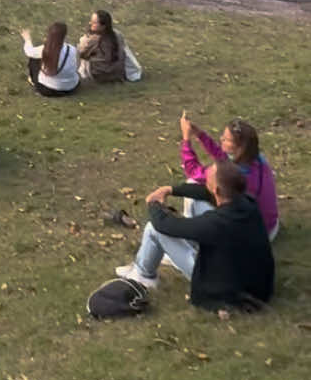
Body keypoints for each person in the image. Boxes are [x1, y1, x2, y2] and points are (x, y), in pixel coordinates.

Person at [115, 160, 275, 310]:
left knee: (153, 228)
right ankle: (139, 269)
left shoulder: (216, 223)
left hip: (227, 290)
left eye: (208, 181)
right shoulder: (247, 203)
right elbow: (205, 193)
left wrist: (153, 204)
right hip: (257, 285)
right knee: (197, 203)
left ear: (217, 190)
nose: (205, 182)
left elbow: (165, 225)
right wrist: (171, 190)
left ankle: (144, 275)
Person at [179, 111, 279, 239]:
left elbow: (193, 170)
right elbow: (223, 157)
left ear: (239, 147)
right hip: (270, 226)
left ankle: (190, 238)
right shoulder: (257, 158)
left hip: (252, 236)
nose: (221, 139)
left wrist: (186, 140)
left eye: (226, 139)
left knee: (192, 184)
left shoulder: (233, 174)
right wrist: (200, 134)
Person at [21, 21, 79, 96]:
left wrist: (27, 39)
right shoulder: (72, 49)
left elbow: (29, 52)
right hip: (71, 88)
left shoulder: (45, 49)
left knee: (34, 59)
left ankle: (33, 80)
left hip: (48, 89)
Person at [77, 9, 127, 84]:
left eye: (94, 22)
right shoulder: (117, 34)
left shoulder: (93, 39)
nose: (90, 23)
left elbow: (81, 54)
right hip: (116, 73)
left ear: (103, 26)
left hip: (99, 75)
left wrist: (84, 40)